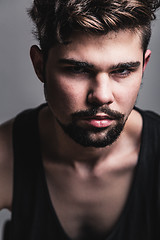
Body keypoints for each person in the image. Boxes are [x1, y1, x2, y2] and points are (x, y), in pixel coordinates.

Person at [0, 0, 160, 239]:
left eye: (123, 71)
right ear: (40, 65)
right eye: (77, 69)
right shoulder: (5, 157)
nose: (102, 96)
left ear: (144, 66)